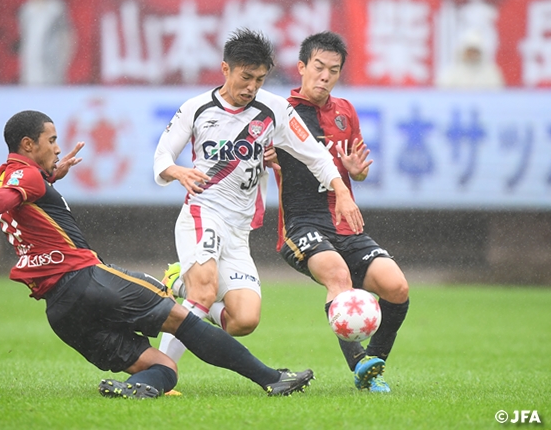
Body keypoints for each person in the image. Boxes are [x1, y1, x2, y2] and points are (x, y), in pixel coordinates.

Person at [0, 110, 315, 399]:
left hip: (61, 311)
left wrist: (51, 177)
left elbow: (11, 197)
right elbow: (3, 200)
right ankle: (271, 379)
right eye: (51, 141)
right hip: (88, 280)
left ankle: (131, 391)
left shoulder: (4, 176)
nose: (56, 147)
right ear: (27, 143)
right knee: (184, 320)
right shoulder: (28, 180)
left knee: (162, 369)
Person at [153, 28, 363, 366]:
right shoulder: (196, 108)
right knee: (204, 291)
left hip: (239, 231)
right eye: (245, 77)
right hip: (203, 212)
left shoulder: (275, 109)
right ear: (226, 70)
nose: (251, 87)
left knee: (244, 320)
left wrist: (341, 190)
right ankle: (160, 370)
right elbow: (161, 157)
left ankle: (178, 283)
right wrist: (177, 171)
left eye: (260, 79)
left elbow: (316, 155)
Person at [272, 31, 410, 393]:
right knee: (338, 277)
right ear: (301, 67)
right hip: (301, 225)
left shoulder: (345, 111)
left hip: (346, 226)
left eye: (333, 70)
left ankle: (371, 366)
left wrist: (357, 170)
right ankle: (359, 361)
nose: (325, 77)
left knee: (397, 288)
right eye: (318, 68)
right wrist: (268, 158)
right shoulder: (280, 113)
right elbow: (254, 156)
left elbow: (359, 170)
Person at [18, 0, 75, 85]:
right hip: (32, 56)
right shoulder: (26, 9)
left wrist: (66, 58)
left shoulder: (56, 7)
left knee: (52, 89)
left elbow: (66, 34)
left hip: (52, 56)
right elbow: (24, 35)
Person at [436, 29, 504, 89]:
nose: (472, 54)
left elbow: (497, 95)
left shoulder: (490, 73)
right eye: (469, 51)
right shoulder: (451, 72)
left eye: (475, 51)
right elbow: (442, 95)